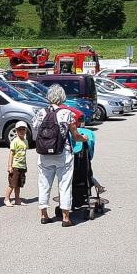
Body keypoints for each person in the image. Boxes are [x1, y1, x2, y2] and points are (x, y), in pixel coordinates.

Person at [33, 84, 88, 227]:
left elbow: (35, 129)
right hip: (63, 154)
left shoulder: (41, 113)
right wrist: (84, 138)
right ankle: (65, 218)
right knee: (64, 185)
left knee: (44, 184)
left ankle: (44, 215)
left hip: (44, 154)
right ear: (62, 97)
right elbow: (75, 136)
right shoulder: (66, 113)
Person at [4, 121, 28, 207]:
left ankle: (17, 199)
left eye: (23, 129)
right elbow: (11, 154)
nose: (21, 131)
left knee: (19, 184)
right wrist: (10, 166)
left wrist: (25, 165)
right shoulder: (15, 141)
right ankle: (6, 199)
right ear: (16, 131)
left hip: (22, 166)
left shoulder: (25, 141)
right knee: (12, 184)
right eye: (19, 129)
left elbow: (24, 154)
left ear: (26, 130)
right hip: (15, 166)